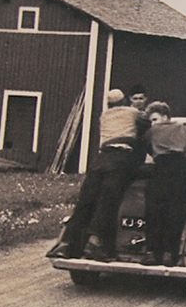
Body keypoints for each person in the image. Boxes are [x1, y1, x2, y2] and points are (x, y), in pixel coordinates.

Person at [47, 89, 148, 261]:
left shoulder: (105, 116)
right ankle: (95, 243)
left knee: (86, 200)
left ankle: (66, 243)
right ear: (125, 102)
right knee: (109, 200)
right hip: (121, 158)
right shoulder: (133, 113)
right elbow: (146, 127)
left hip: (101, 158)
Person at [142, 101, 186, 266]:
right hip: (182, 171)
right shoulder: (184, 129)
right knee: (176, 213)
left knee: (154, 211)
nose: (153, 123)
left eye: (155, 119)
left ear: (165, 116)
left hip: (162, 169)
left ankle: (152, 252)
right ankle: (169, 253)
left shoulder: (152, 131)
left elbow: (147, 148)